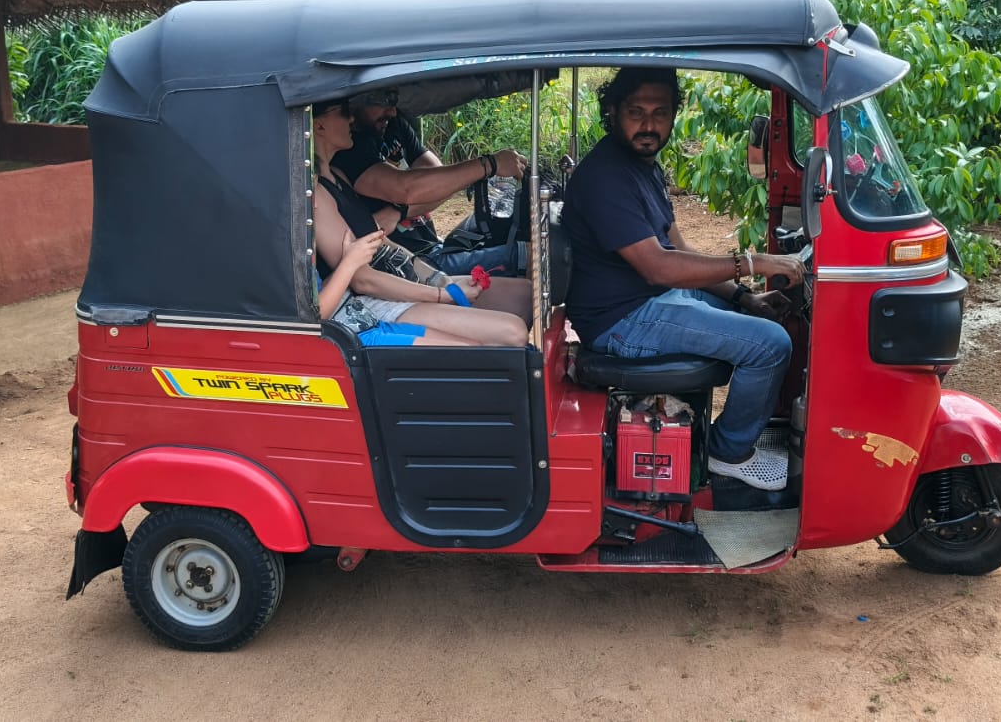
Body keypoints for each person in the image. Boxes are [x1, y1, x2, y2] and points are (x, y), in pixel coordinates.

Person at [561, 68, 807, 491]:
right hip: (622, 320)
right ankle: (727, 454)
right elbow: (660, 267)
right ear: (613, 112)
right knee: (771, 345)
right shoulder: (606, 177)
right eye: (636, 112)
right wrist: (751, 262)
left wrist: (744, 298)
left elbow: (679, 252)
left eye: (660, 112)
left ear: (675, 115)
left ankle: (714, 437)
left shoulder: (643, 167)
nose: (648, 124)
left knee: (763, 322)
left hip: (649, 299)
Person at [311, 97, 531, 346]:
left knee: (523, 297)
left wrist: (439, 280)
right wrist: (440, 294)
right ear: (318, 126)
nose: (351, 118)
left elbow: (385, 245)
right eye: (343, 112)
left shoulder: (338, 176)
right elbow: (362, 278)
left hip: (395, 278)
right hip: (376, 296)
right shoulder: (316, 193)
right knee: (509, 334)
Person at [329, 88, 528, 276]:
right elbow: (407, 188)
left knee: (505, 227)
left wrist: (398, 212)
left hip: (433, 245)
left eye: (393, 100)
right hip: (408, 262)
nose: (392, 111)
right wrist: (489, 165)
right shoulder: (348, 151)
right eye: (383, 102)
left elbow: (440, 180)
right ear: (355, 103)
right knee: (525, 254)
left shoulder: (393, 125)